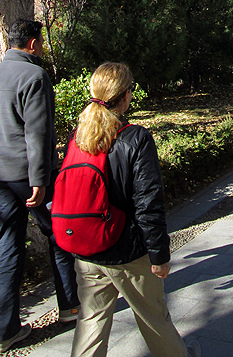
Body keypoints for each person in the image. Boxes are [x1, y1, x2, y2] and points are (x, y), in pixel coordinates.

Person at [69, 62, 200, 357]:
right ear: (126, 95)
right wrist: (159, 255)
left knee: (90, 324)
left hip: (87, 248)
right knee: (154, 318)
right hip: (127, 251)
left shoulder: (79, 136)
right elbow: (148, 202)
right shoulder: (135, 138)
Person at [0, 20, 79, 354]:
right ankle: (69, 308)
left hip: (1, 175)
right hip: (35, 178)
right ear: (33, 44)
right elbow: (38, 132)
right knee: (59, 237)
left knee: (6, 246)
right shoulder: (35, 77)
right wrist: (39, 179)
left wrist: (1, 161)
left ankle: (4, 331)